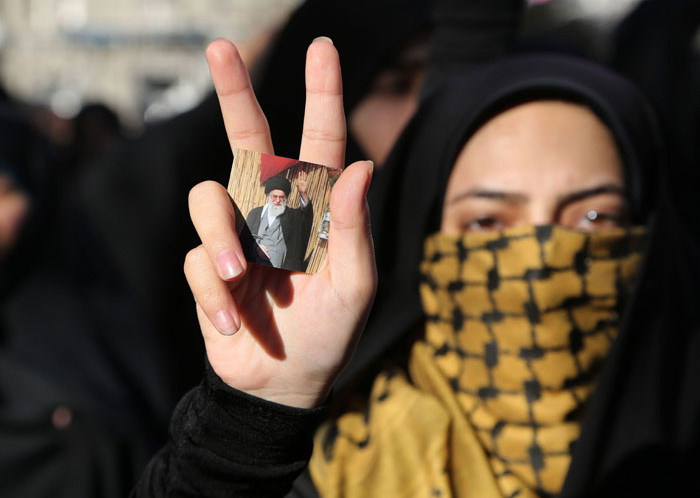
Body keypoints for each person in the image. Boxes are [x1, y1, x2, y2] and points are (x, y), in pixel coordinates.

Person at [134, 32, 700, 497]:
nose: (542, 257)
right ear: (422, 240)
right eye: (487, 222)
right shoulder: (335, 472)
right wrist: (247, 426)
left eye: (594, 218)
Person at [245, 172, 313, 272]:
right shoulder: (255, 213)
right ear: (268, 195)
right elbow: (244, 239)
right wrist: (256, 246)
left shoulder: (291, 216)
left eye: (281, 197)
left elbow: (305, 215)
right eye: (274, 196)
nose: (277, 200)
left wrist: (303, 193)